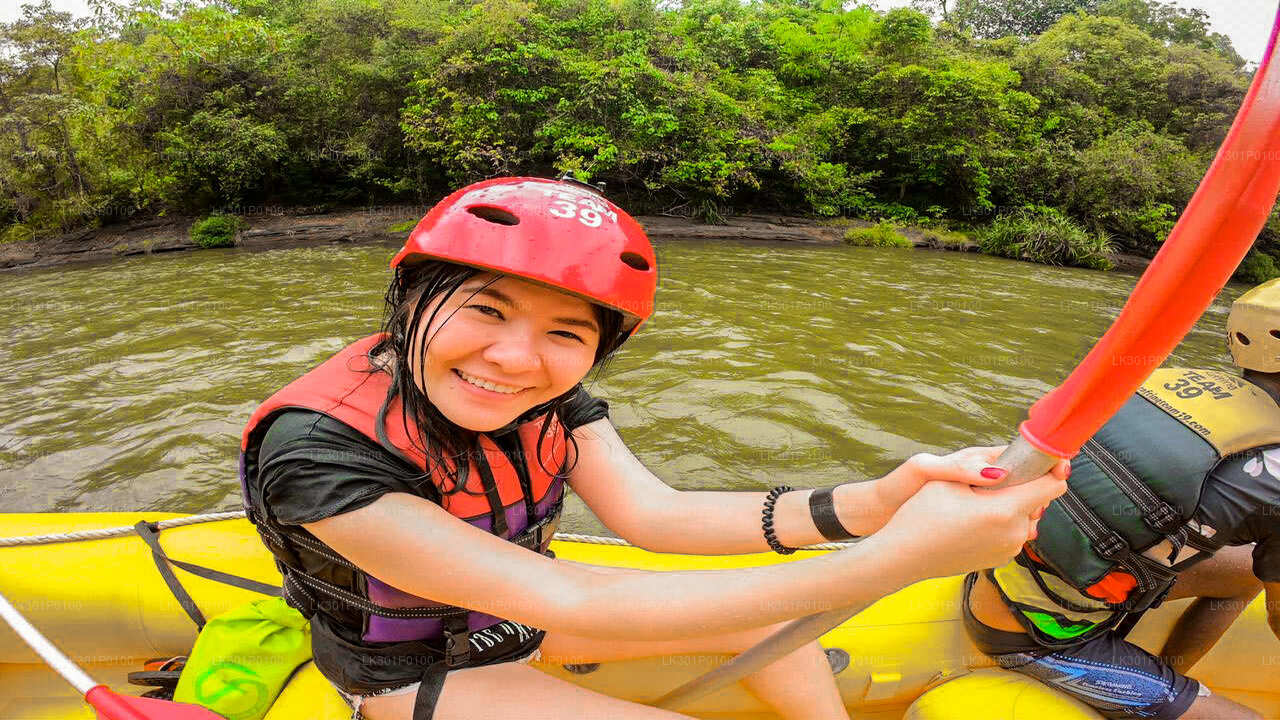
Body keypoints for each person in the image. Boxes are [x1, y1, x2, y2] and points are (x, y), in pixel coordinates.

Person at [237, 176, 1068, 720]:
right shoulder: (317, 449)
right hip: (410, 671)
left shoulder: (546, 398)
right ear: (407, 298)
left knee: (782, 625)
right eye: (486, 311)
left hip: (520, 619)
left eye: (565, 333)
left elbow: (656, 514)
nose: (518, 359)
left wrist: (880, 503)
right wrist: (899, 559)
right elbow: (576, 605)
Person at [963, 278, 1280, 720]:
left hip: (997, 575)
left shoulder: (1161, 382)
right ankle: (1155, 696)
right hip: (1038, 638)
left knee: (1247, 571)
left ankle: (1168, 679)